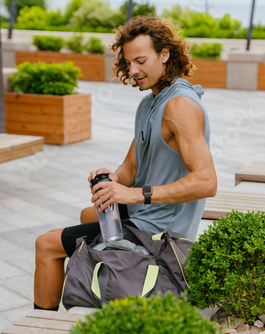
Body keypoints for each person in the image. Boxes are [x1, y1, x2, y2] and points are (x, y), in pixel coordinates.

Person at [33, 15, 217, 311]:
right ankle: (105, 289)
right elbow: (131, 168)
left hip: (161, 230)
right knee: (87, 213)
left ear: (165, 54)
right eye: (129, 62)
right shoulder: (150, 103)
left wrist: (133, 195)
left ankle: (40, 327)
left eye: (141, 61)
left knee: (46, 245)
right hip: (146, 214)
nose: (133, 71)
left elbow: (207, 182)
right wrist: (112, 179)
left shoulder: (179, 106)